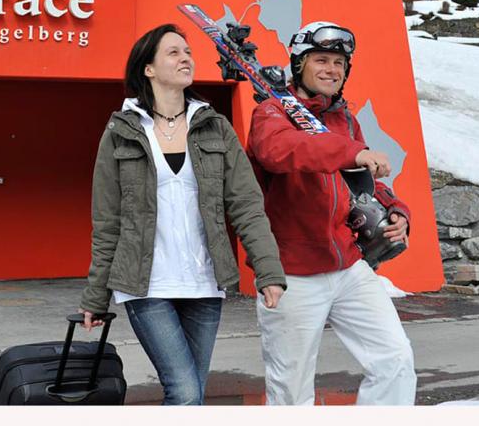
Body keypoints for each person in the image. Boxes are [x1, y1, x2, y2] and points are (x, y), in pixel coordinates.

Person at [79, 24, 286, 405]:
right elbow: (107, 220)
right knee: (186, 392)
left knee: (194, 394)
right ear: (148, 69)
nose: (185, 58)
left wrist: (267, 270)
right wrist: (96, 296)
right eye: (173, 52)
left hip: (204, 283)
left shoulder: (214, 127)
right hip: (146, 285)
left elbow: (246, 205)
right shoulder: (121, 131)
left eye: (188, 51)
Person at [247, 21, 416, 405]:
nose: (332, 69)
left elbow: (366, 181)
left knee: (395, 359)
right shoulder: (272, 113)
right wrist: (350, 151)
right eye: (321, 59)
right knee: (291, 387)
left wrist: (396, 211)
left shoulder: (344, 119)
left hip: (348, 266)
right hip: (293, 272)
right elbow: (282, 151)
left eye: (339, 62)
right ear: (299, 64)